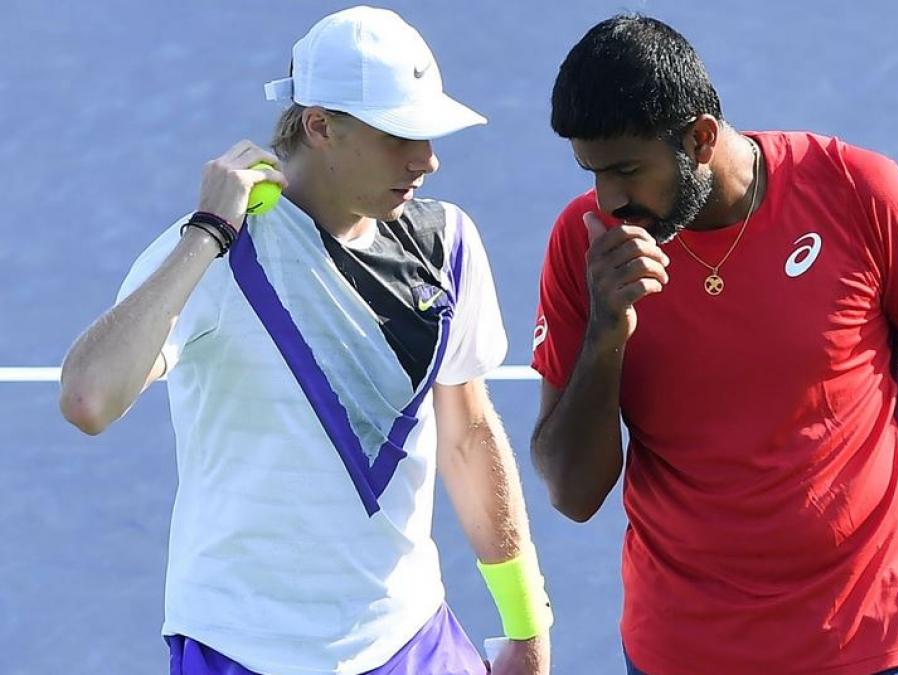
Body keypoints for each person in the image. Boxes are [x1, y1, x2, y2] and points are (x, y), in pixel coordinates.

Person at [530, 14, 898, 675]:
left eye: (628, 170)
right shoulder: (586, 248)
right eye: (593, 172)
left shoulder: (861, 194)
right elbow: (572, 493)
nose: (611, 198)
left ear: (699, 138)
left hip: (873, 645)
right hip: (685, 653)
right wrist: (607, 333)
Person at [58, 7, 551, 675]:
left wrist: (525, 622)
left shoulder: (448, 244)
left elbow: (466, 432)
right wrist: (205, 232)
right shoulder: (214, 255)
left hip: (410, 640)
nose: (427, 159)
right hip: (242, 649)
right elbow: (89, 397)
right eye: (399, 134)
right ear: (320, 125)